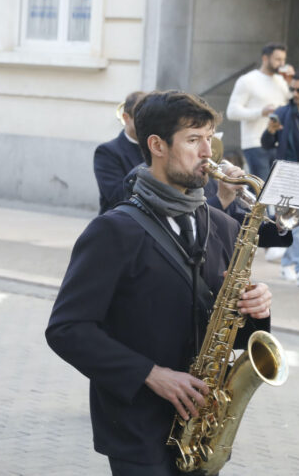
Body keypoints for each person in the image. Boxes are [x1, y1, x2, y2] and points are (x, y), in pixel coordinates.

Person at [46, 91, 272, 475]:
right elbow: (66, 329)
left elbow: (233, 333)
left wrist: (258, 309)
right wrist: (150, 374)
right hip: (138, 426)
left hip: (203, 426)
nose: (209, 152)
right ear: (157, 145)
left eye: (210, 137)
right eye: (193, 139)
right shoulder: (113, 231)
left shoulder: (225, 226)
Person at [261, 68, 299, 286]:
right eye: (292, 89)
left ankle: (286, 265)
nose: (295, 93)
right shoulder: (284, 113)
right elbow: (266, 143)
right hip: (290, 175)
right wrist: (270, 130)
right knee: (298, 225)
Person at [227, 42, 292, 180]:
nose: (282, 63)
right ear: (265, 58)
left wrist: (291, 82)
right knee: (260, 189)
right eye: (278, 59)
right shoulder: (247, 80)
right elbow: (232, 112)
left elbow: (294, 106)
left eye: (284, 60)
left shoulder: (282, 82)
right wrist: (261, 112)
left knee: (278, 190)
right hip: (255, 143)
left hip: (279, 143)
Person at [94, 91, 145, 214]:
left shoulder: (160, 148)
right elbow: (118, 197)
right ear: (126, 118)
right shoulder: (107, 151)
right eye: (142, 116)